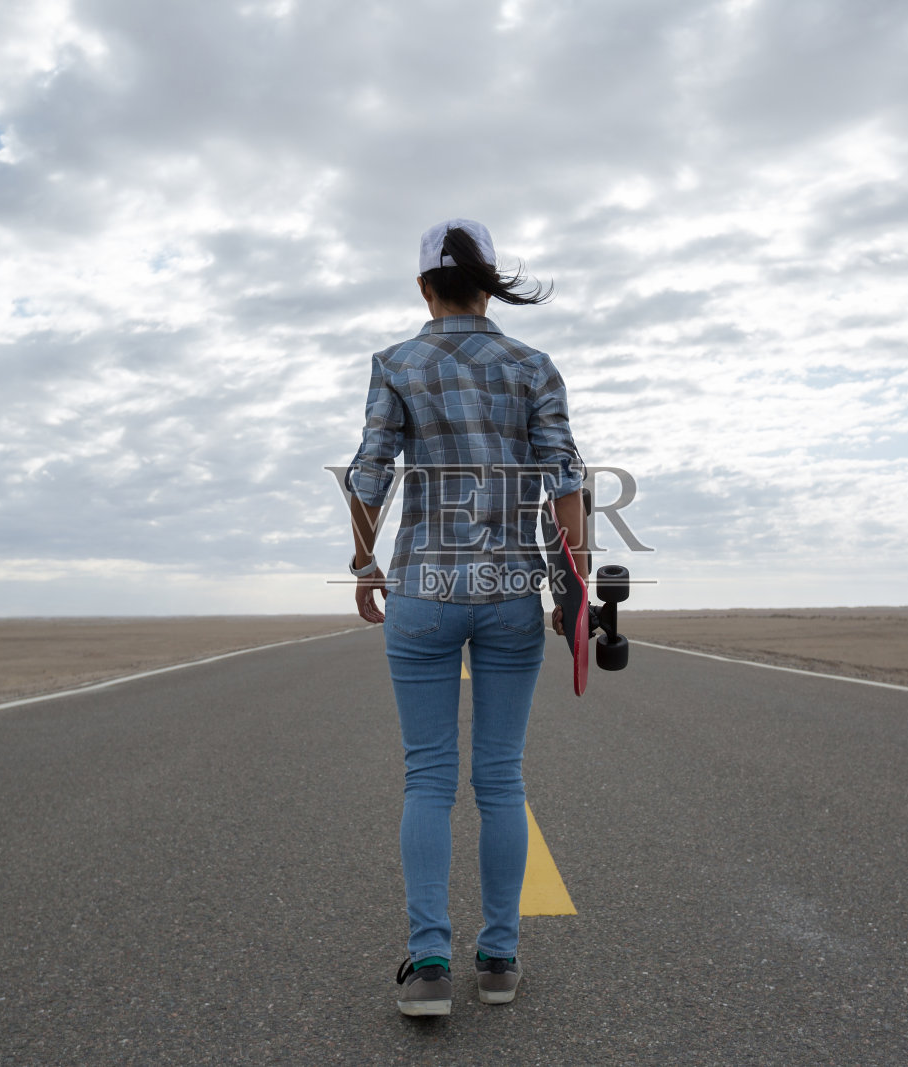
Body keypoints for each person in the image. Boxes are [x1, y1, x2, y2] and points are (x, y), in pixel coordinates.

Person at [344, 218, 588, 1016]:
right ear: (488, 286)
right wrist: (571, 585)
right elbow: (566, 479)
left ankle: (428, 967)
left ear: (424, 287)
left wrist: (364, 562)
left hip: (422, 588)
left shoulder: (396, 363)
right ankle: (501, 959)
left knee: (427, 776)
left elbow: (369, 471)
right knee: (500, 777)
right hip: (511, 590)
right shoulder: (532, 365)